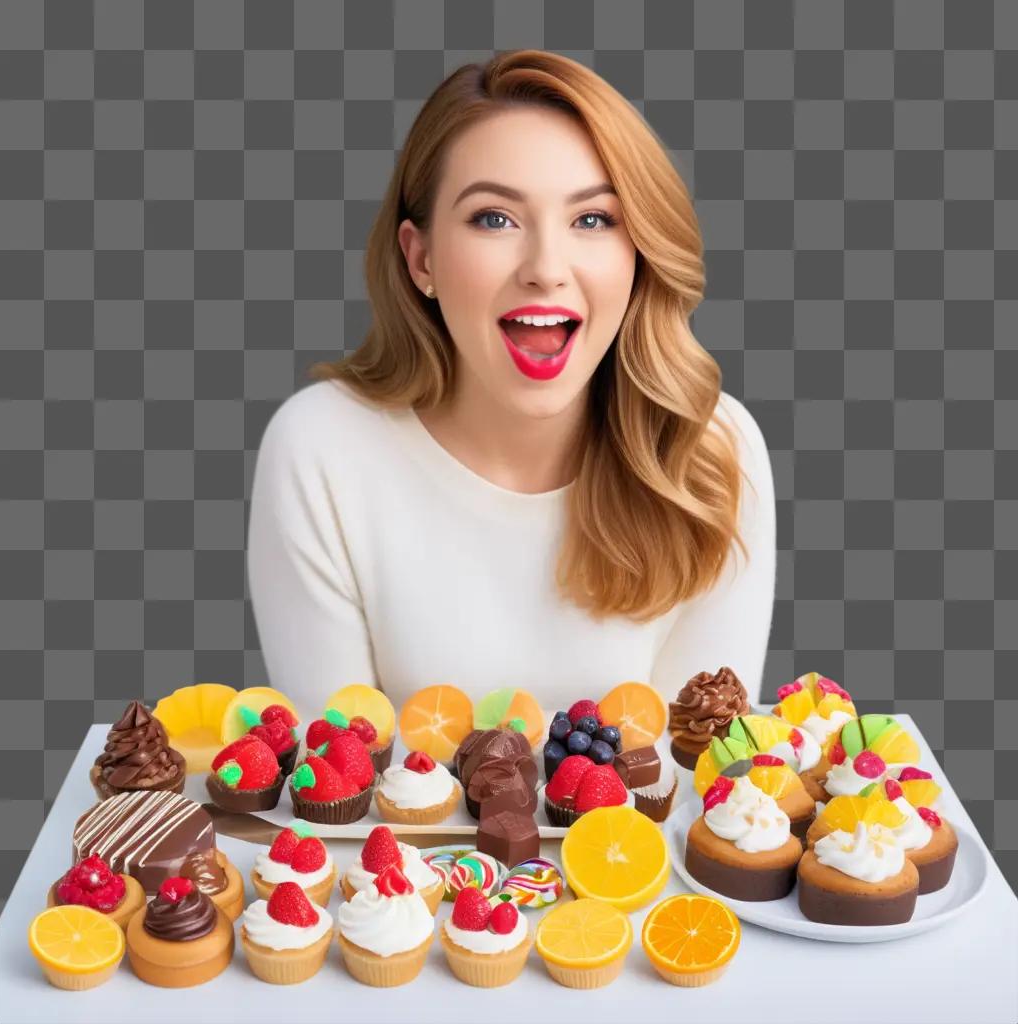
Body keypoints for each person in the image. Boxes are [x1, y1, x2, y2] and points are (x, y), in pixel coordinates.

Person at [247, 50, 776, 717]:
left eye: (593, 219)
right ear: (422, 258)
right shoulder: (320, 448)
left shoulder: (710, 450)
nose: (546, 268)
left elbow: (700, 777)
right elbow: (331, 786)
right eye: (494, 218)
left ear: (639, 254)